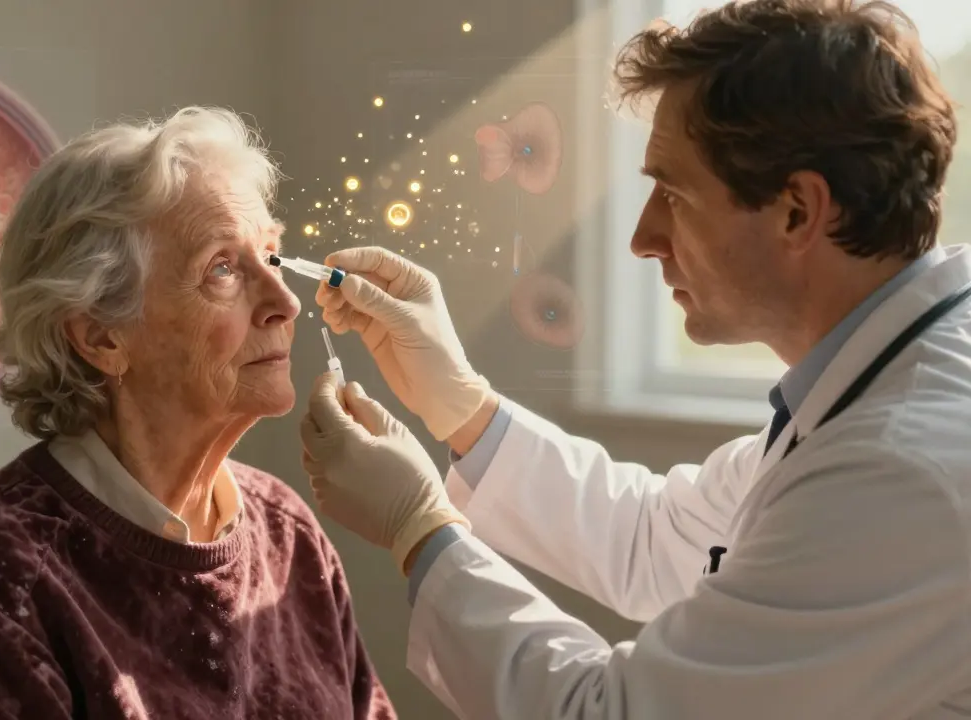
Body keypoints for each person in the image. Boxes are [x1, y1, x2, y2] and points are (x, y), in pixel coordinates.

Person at [299, 1, 971, 718]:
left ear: (798, 212)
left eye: (674, 194)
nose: (643, 238)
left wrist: (420, 529)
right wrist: (461, 404)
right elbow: (657, 541)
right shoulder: (878, 381)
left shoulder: (901, 471)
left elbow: (611, 713)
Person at [0, 107, 395, 720]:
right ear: (102, 337)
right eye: (221, 267)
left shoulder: (288, 534)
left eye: (270, 256)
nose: (284, 301)